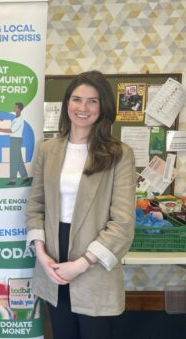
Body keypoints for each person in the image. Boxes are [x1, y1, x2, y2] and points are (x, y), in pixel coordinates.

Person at [26, 71, 136, 339]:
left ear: (103, 107)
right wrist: (41, 254)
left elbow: (122, 223)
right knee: (62, 333)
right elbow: (35, 205)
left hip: (93, 260)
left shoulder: (119, 155)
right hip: (53, 260)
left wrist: (82, 264)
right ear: (67, 104)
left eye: (92, 101)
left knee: (95, 333)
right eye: (77, 99)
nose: (82, 108)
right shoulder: (47, 149)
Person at [0, 102, 30, 185]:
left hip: (16, 140)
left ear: (19, 109)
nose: (14, 108)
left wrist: (0, 129)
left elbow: (11, 130)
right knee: (19, 160)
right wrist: (3, 122)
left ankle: (12, 180)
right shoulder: (16, 118)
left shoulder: (19, 120)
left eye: (15, 107)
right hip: (14, 139)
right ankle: (25, 177)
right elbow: (11, 126)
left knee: (14, 160)